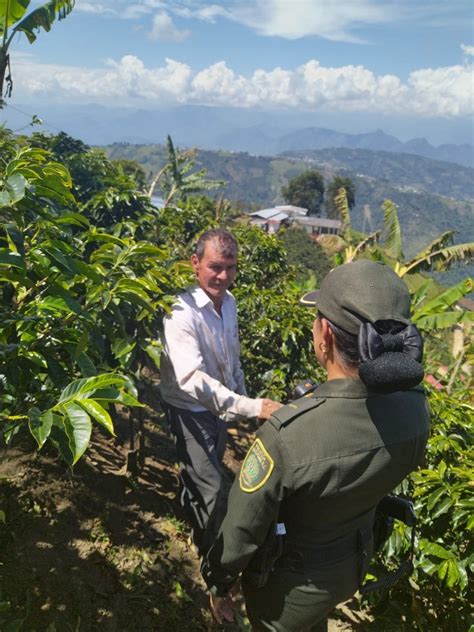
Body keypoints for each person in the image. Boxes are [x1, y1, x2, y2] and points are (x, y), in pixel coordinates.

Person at [201, 259, 430, 631]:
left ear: (324, 334)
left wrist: (218, 583)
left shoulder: (288, 436)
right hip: (351, 565)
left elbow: (241, 532)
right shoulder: (415, 409)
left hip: (288, 591)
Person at [160, 228, 281, 563]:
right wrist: (252, 406)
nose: (223, 276)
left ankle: (191, 507)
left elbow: (232, 359)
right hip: (188, 410)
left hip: (218, 408)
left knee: (207, 468)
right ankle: (215, 567)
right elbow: (191, 380)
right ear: (195, 263)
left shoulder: (229, 304)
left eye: (230, 268)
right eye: (215, 267)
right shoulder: (181, 312)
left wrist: (243, 404)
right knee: (214, 491)